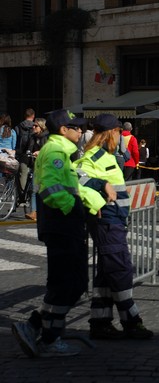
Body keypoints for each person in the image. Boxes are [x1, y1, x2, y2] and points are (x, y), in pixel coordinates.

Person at [11, 109, 105, 358]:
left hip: (64, 225)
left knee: (70, 284)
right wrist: (76, 210)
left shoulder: (61, 151)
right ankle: (43, 334)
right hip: (62, 225)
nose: (81, 131)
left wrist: (88, 203)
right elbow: (52, 192)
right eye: (77, 128)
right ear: (64, 130)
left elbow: (68, 187)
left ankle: (40, 331)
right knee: (68, 284)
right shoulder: (55, 152)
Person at [74, 113, 154, 340]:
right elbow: (75, 177)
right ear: (111, 133)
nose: (121, 136)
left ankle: (100, 322)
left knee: (106, 272)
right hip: (107, 219)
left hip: (114, 219)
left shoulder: (107, 156)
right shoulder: (95, 155)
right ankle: (131, 321)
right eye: (119, 132)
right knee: (120, 269)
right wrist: (99, 190)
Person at [24, 117, 50, 221]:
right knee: (34, 190)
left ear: (41, 127)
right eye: (33, 125)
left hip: (46, 167)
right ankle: (34, 212)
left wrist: (40, 152)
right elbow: (29, 149)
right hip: (36, 166)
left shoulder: (47, 137)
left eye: (36, 125)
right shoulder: (33, 137)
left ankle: (44, 212)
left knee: (44, 190)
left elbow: (49, 150)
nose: (33, 127)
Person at [15, 108, 35, 192]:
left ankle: (22, 193)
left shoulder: (18, 126)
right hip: (33, 152)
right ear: (33, 116)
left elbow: (16, 139)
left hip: (21, 152)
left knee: (23, 173)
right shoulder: (36, 126)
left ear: (25, 115)